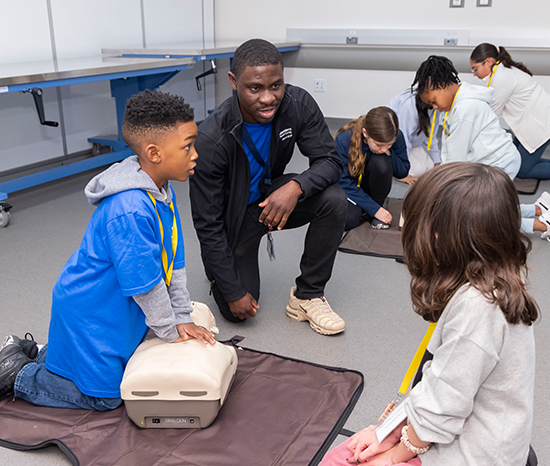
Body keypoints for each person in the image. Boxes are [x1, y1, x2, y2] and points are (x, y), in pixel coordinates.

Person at [306, 162, 538, 466]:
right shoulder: (487, 279)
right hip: (461, 439)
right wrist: (386, 431)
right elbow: (435, 384)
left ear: (441, 236)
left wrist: (395, 454)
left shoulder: (477, 311)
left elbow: (442, 408)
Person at [0, 90, 215, 410]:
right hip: (90, 311)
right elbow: (147, 285)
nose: (195, 154)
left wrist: (181, 316)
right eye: (187, 146)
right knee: (107, 396)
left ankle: (36, 353)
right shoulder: (129, 208)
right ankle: (17, 373)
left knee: (114, 366)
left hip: (113, 307)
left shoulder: (161, 192)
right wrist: (172, 331)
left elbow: (175, 266)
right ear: (154, 153)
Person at [189, 39, 347, 336]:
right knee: (238, 313)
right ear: (234, 82)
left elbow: (330, 161)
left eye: (276, 86)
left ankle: (307, 295)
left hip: (272, 198)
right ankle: (224, 276)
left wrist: (296, 186)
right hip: (234, 222)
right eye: (255, 88)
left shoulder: (298, 105)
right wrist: (234, 291)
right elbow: (207, 225)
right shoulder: (211, 140)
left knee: (334, 200)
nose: (268, 98)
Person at [413, 55, 521, 180]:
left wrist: (441, 180)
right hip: (490, 160)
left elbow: (457, 156)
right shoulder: (453, 104)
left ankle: (543, 201)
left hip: (500, 162)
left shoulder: (466, 108)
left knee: (482, 197)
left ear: (442, 85)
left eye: (434, 101)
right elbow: (450, 144)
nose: (435, 107)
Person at [470, 43, 550, 181]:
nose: (475, 74)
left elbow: (492, 114)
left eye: (475, 69)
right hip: (529, 122)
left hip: (539, 123)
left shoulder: (502, 77)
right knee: (516, 159)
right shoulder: (501, 73)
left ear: (488, 61)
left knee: (523, 170)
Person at [334, 107, 410, 231]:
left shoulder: (396, 136)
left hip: (370, 187)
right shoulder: (344, 139)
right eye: (379, 145)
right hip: (348, 189)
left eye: (389, 144)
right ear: (365, 133)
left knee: (382, 162)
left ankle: (375, 206)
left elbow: (402, 172)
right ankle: (370, 210)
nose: (384, 149)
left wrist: (389, 153)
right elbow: (342, 182)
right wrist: (374, 209)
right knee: (348, 220)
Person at [387, 88, 441, 184]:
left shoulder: (435, 107)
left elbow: (431, 135)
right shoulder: (409, 105)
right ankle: (389, 160)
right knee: (418, 171)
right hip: (393, 142)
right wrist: (402, 173)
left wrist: (438, 162)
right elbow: (403, 138)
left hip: (412, 142)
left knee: (430, 167)